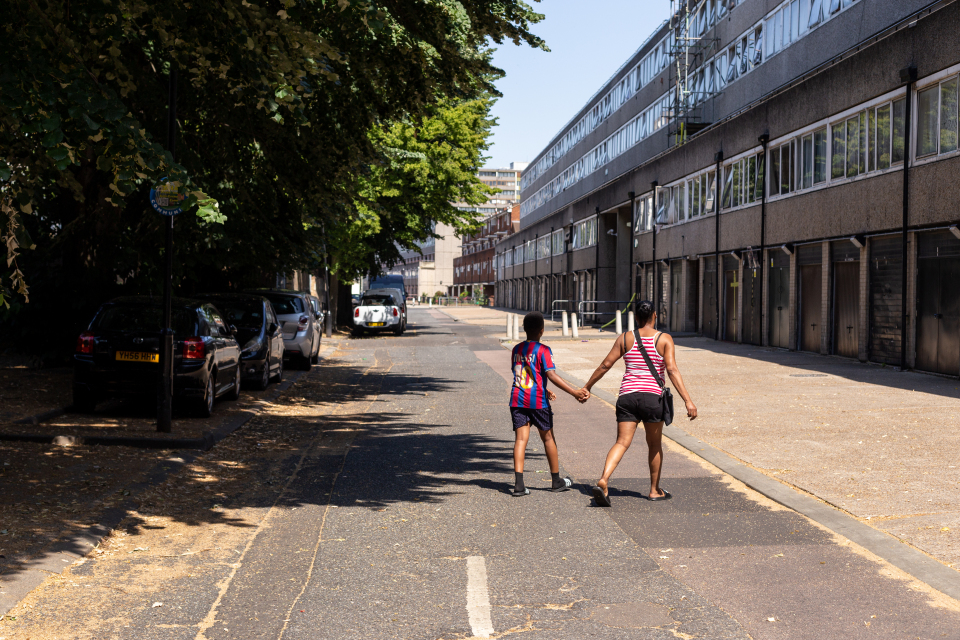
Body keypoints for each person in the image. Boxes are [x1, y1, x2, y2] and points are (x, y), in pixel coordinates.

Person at [581, 301, 697, 507]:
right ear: (655, 315)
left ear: (635, 318)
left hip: (627, 397)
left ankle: (604, 480)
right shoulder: (664, 339)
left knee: (621, 442)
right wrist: (688, 400)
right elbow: (671, 370)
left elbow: (606, 364)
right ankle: (654, 490)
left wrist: (587, 386)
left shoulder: (625, 338)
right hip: (652, 398)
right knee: (654, 445)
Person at [509, 311, 589, 496]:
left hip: (517, 399)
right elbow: (551, 375)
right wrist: (574, 392)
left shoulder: (516, 349)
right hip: (537, 402)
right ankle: (556, 480)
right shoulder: (543, 350)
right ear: (542, 331)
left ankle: (519, 485)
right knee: (548, 438)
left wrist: (544, 388)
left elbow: (524, 374)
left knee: (521, 440)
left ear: (524, 329)